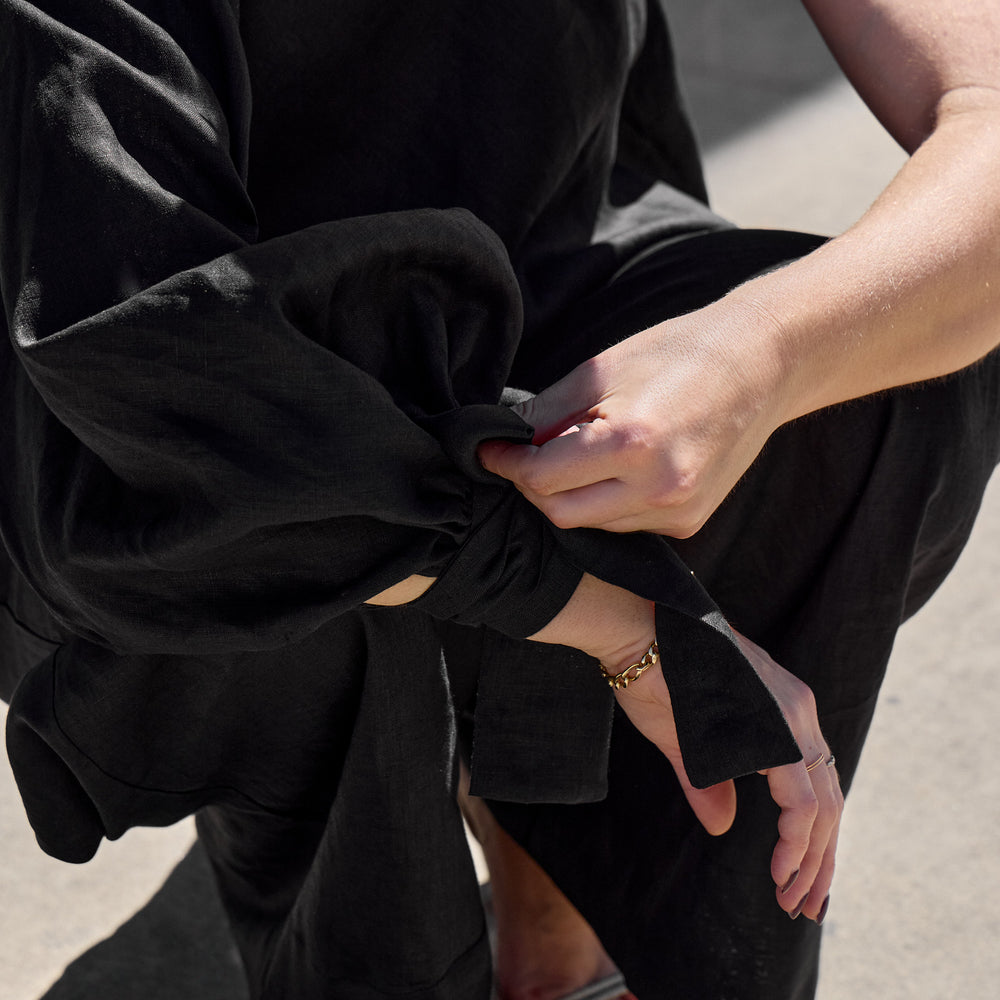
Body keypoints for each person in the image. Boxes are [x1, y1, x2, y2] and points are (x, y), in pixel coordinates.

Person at [0, 2, 997, 999]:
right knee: (309, 551)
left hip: (529, 267)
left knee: (867, 390)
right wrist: (620, 627)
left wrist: (761, 353)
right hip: (132, 423)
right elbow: (142, 372)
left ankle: (562, 918)